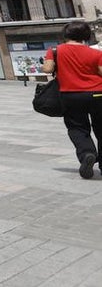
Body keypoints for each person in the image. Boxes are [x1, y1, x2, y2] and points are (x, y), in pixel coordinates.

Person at [43, 21, 102, 179]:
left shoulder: (55, 51)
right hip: (98, 94)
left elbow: (48, 69)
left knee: (77, 128)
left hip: (71, 95)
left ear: (65, 34)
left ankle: (87, 154)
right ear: (85, 36)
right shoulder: (96, 53)